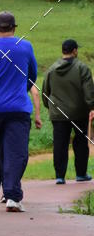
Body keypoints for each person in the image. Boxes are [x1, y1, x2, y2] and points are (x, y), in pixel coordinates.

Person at [0, 11, 41, 213]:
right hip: (18, 109)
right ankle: (12, 196)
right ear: (14, 29)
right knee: (16, 152)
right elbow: (32, 75)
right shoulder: (25, 46)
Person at [42, 39, 94, 183]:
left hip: (58, 113)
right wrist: (91, 107)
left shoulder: (52, 69)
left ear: (63, 51)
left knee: (60, 143)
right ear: (75, 51)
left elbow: (46, 92)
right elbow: (89, 92)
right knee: (81, 142)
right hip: (79, 112)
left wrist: (50, 107)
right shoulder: (82, 68)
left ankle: (59, 176)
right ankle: (81, 174)